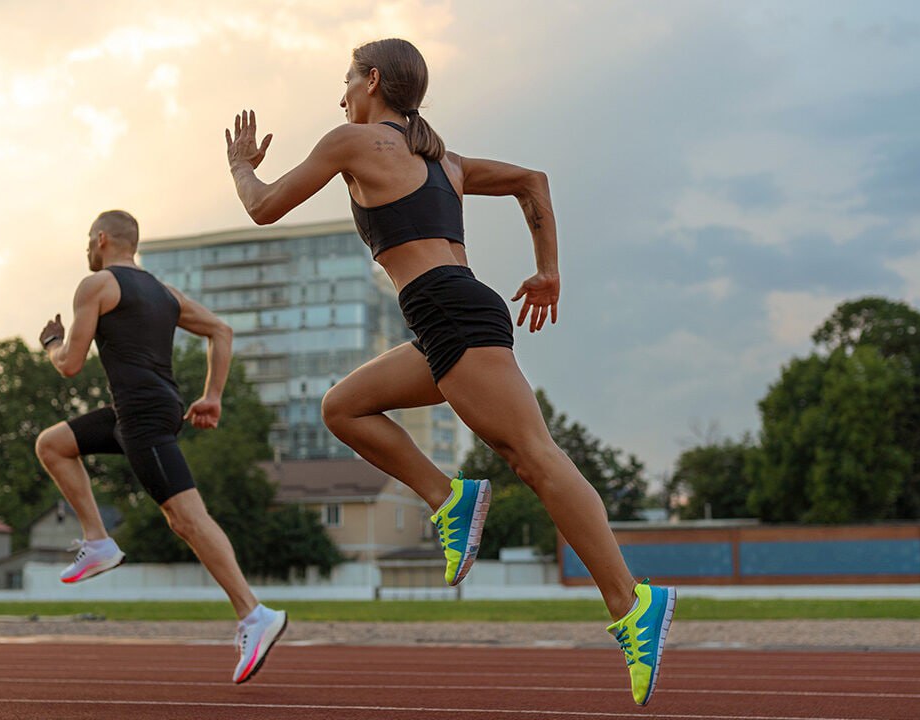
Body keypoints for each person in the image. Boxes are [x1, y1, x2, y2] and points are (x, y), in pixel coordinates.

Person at [224, 38, 675, 706]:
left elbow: (261, 207)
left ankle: (632, 604)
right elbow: (533, 182)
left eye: (346, 82)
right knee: (343, 407)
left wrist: (239, 165)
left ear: (372, 81)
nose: (341, 96)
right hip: (447, 318)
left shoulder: (352, 140)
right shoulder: (445, 161)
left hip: (450, 313)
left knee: (535, 458)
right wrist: (547, 267)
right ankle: (448, 498)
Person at [34, 210, 287, 684]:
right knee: (52, 444)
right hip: (142, 410)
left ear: (103, 239)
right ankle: (98, 541)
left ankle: (255, 614)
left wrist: (51, 342)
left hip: (143, 417)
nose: (87, 248)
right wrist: (211, 395)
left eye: (89, 239)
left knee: (187, 518)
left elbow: (69, 364)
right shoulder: (164, 293)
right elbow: (221, 330)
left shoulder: (96, 286)